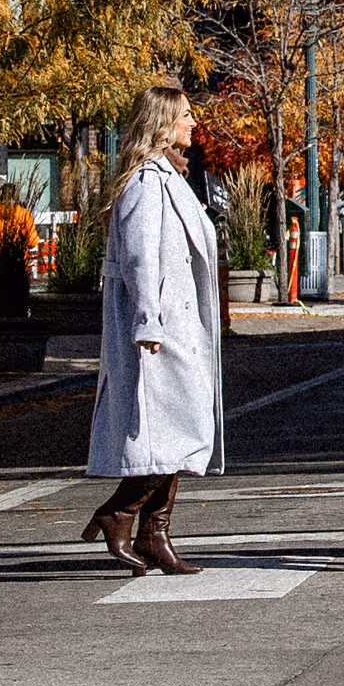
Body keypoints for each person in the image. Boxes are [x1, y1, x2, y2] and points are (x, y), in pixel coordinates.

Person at [82, 85, 223, 575]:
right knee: (178, 431)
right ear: (162, 122)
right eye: (186, 115)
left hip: (179, 324)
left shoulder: (172, 177)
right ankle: (120, 514)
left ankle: (153, 532)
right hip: (160, 329)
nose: (194, 123)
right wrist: (147, 321)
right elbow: (141, 259)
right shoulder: (146, 181)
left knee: (179, 430)